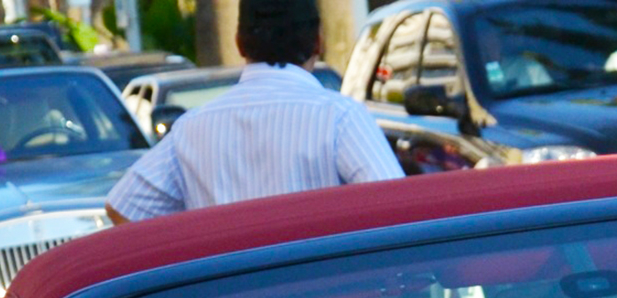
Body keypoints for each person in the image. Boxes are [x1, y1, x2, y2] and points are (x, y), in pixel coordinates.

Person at [107, 0, 402, 221]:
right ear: (318, 42)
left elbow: (123, 207)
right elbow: (398, 211)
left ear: (239, 43)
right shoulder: (340, 117)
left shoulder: (192, 127)